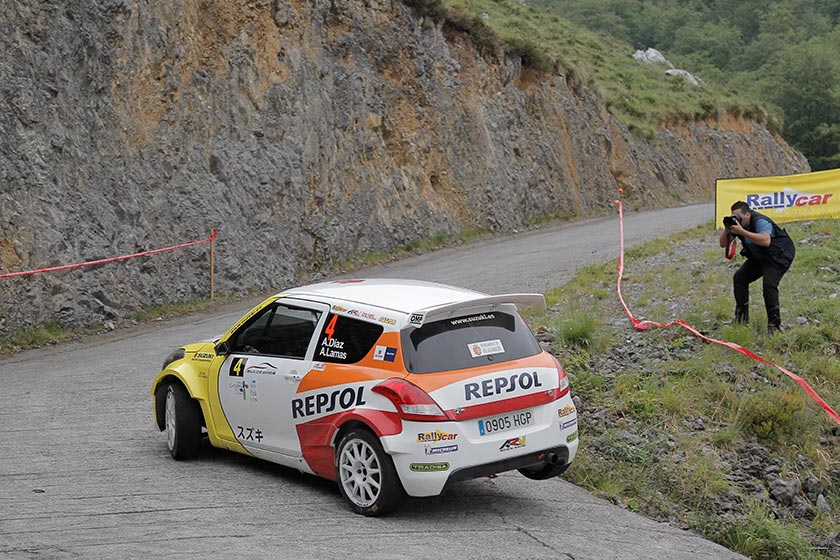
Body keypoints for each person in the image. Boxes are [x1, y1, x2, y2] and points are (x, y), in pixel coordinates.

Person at [719, 201, 795, 333]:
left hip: (778, 255)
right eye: (733, 216)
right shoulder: (738, 226)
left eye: (738, 216)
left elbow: (766, 241)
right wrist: (727, 228)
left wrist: (742, 232)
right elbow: (722, 244)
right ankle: (741, 319)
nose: (736, 219)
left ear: (747, 214)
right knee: (739, 278)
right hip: (760, 256)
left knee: (769, 285)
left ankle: (774, 326)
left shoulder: (760, 221)